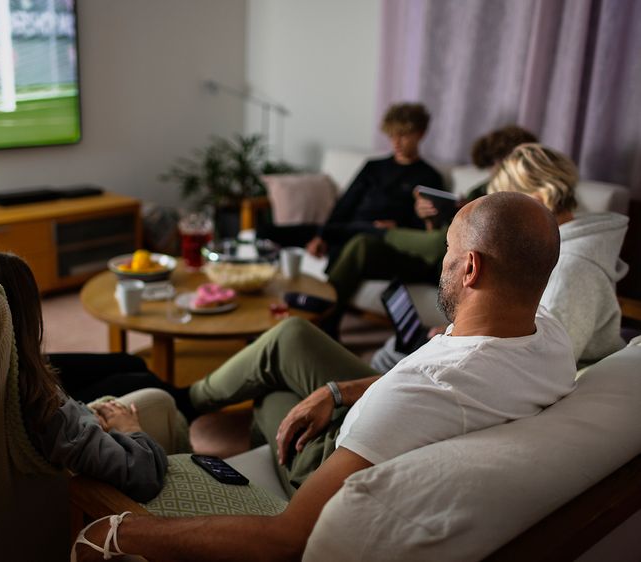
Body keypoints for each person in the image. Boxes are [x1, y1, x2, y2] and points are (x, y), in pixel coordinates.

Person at [72, 192, 577, 562]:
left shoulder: (421, 388)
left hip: (359, 468)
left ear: (469, 268)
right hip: (411, 422)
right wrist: (335, 391)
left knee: (270, 397)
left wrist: (129, 532)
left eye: (446, 250)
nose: (440, 263)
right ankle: (188, 401)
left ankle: (193, 415)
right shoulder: (551, 335)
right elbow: (436, 376)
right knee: (291, 336)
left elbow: (287, 540)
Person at [0, 251, 184, 502]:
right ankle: (196, 399)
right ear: (26, 317)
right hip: (62, 516)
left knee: (128, 362)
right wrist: (130, 429)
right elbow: (142, 475)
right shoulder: (42, 408)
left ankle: (194, 396)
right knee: (156, 396)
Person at [327, 124, 538, 340]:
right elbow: (439, 234)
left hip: (453, 266)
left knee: (369, 237)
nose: (496, 168)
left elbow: (440, 243)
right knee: (362, 245)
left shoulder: (522, 201)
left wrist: (385, 232)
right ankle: (325, 319)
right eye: (494, 161)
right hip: (436, 257)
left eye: (503, 161)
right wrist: (429, 218)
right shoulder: (482, 188)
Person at [488, 143, 628, 365]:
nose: (502, 219)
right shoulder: (552, 244)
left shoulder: (571, 267)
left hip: (579, 380)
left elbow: (549, 364)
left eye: (507, 208)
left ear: (539, 201)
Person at [258, 102, 445, 267]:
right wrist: (322, 235)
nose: (396, 142)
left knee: (355, 241)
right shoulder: (373, 167)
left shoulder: (429, 177)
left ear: (420, 134)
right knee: (265, 232)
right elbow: (344, 205)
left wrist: (398, 226)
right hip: (344, 229)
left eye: (403, 135)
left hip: (376, 236)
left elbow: (427, 230)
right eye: (392, 135)